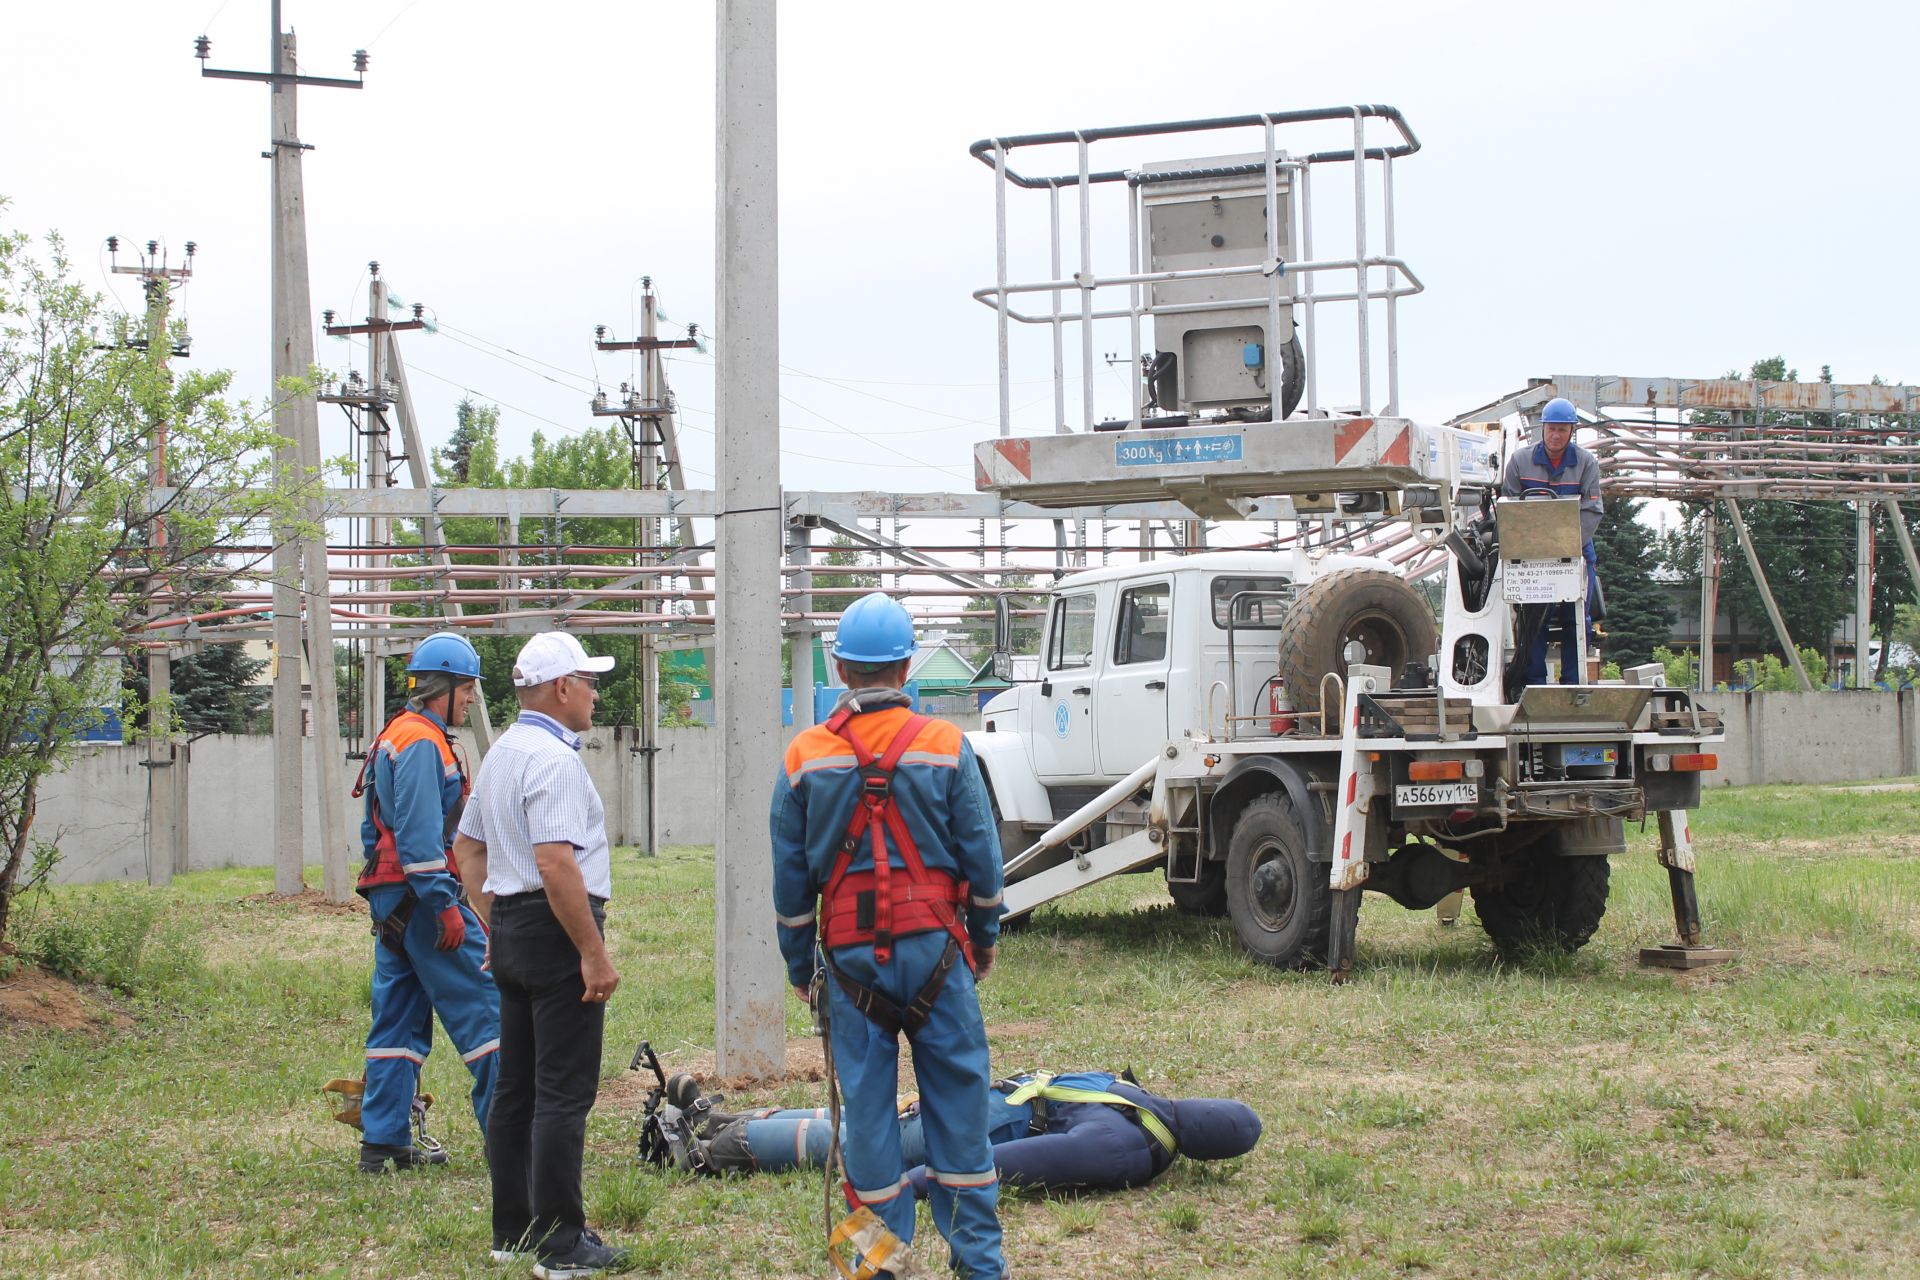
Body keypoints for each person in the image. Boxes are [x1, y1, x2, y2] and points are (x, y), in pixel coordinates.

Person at [770, 592, 1007, 1280]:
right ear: (906, 668)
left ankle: (876, 1271)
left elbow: (790, 885)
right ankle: (980, 1269)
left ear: (840, 669)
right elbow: (983, 864)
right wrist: (983, 939)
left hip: (849, 967)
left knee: (867, 1132)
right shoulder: (945, 746)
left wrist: (797, 963)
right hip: (937, 957)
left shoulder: (805, 757)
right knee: (962, 1118)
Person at [451, 631, 625, 1279]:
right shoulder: (553, 760)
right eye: (587, 679)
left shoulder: (501, 754)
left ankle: (514, 1230)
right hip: (557, 933)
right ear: (560, 688)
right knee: (563, 1093)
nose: (594, 690)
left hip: (516, 931)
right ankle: (560, 1244)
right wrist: (591, 951)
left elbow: (467, 851)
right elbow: (556, 862)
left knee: (516, 1089)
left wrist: (500, 925)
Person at [352, 631, 499, 1174]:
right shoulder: (420, 742)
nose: (470, 700)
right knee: (490, 1008)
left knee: (398, 1020)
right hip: (422, 900)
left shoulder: (397, 734)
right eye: (467, 689)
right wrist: (443, 906)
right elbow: (417, 837)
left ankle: (383, 1140)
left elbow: (376, 838)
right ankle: (508, 1139)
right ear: (445, 686)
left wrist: (390, 905)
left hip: (394, 904)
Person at [658, 1068, 1263, 1195]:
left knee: (851, 1132)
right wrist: (926, 1181)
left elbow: (1036, 1152)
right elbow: (1033, 1160)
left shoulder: (1131, 1112)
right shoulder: (1135, 1136)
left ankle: (711, 1136)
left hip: (985, 1109)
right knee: (850, 1138)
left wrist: (925, 1179)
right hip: (985, 1119)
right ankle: (710, 1138)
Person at [1502, 396, 1604, 685]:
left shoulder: (1586, 464)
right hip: (1532, 556)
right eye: (1551, 429)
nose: (1556, 435)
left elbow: (1593, 510)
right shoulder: (1520, 462)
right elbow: (1508, 507)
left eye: (1562, 429)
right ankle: (1534, 683)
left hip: (1576, 552)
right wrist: (1529, 546)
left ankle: (1573, 683)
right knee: (1533, 619)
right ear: (1542, 429)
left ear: (1571, 431)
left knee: (1576, 619)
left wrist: (1566, 545)